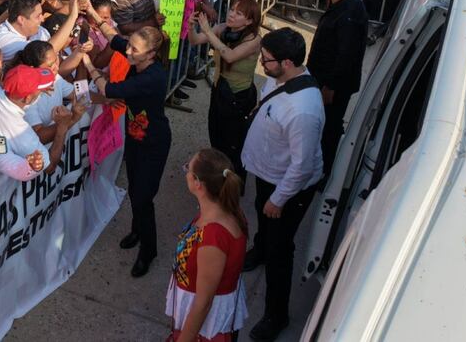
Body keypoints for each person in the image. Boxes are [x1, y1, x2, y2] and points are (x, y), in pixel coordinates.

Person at [241, 27, 324, 341]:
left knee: (280, 251)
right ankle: (259, 249)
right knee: (264, 224)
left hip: (287, 189)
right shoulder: (282, 80)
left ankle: (276, 315)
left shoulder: (304, 110)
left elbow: (302, 166)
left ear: (287, 63)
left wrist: (279, 199)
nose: (262, 63)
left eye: (268, 59)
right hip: (269, 175)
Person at [82, 21, 170, 277]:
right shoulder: (136, 56)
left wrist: (88, 65)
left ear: (151, 54)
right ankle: (137, 229)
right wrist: (94, 16)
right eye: (130, 46)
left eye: (135, 50)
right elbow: (114, 38)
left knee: (144, 197)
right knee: (134, 189)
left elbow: (108, 90)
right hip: (135, 138)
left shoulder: (151, 77)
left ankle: (148, 250)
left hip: (153, 143)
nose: (128, 52)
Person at [166, 148, 248, 342]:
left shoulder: (213, 238)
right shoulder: (225, 210)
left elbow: (203, 303)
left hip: (205, 330)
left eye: (188, 168)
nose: (185, 172)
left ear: (198, 184)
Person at [188, 0, 262, 181]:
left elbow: (230, 56)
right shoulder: (222, 29)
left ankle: (234, 184)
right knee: (216, 135)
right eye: (232, 9)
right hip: (219, 91)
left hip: (239, 96)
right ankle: (219, 178)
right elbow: (196, 40)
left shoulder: (254, 39)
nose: (231, 14)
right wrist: (190, 27)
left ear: (249, 21)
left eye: (238, 13)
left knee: (234, 143)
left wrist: (207, 31)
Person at [306, 0, 368, 176]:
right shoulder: (344, 5)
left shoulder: (348, 15)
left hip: (332, 86)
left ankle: (321, 172)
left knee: (328, 128)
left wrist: (329, 87)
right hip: (326, 80)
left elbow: (345, 56)